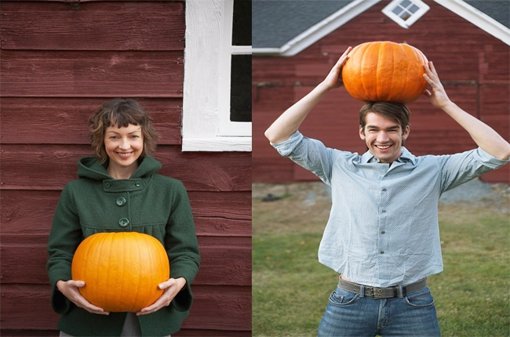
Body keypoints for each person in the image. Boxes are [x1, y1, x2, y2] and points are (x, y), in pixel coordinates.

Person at [264, 47, 510, 337]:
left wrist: (446, 104)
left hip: (413, 304)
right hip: (350, 300)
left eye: (392, 129)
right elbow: (277, 135)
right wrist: (326, 85)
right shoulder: (338, 165)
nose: (382, 138)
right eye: (374, 130)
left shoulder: (433, 170)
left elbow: (500, 151)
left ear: (406, 132)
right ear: (362, 133)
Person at [47, 99, 200, 337]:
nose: (124, 145)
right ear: (102, 140)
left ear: (144, 139)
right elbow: (60, 252)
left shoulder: (170, 190)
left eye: (133, 136)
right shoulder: (76, 192)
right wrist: (62, 284)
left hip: (150, 317)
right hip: (88, 317)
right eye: (114, 136)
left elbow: (185, 252)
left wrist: (179, 281)